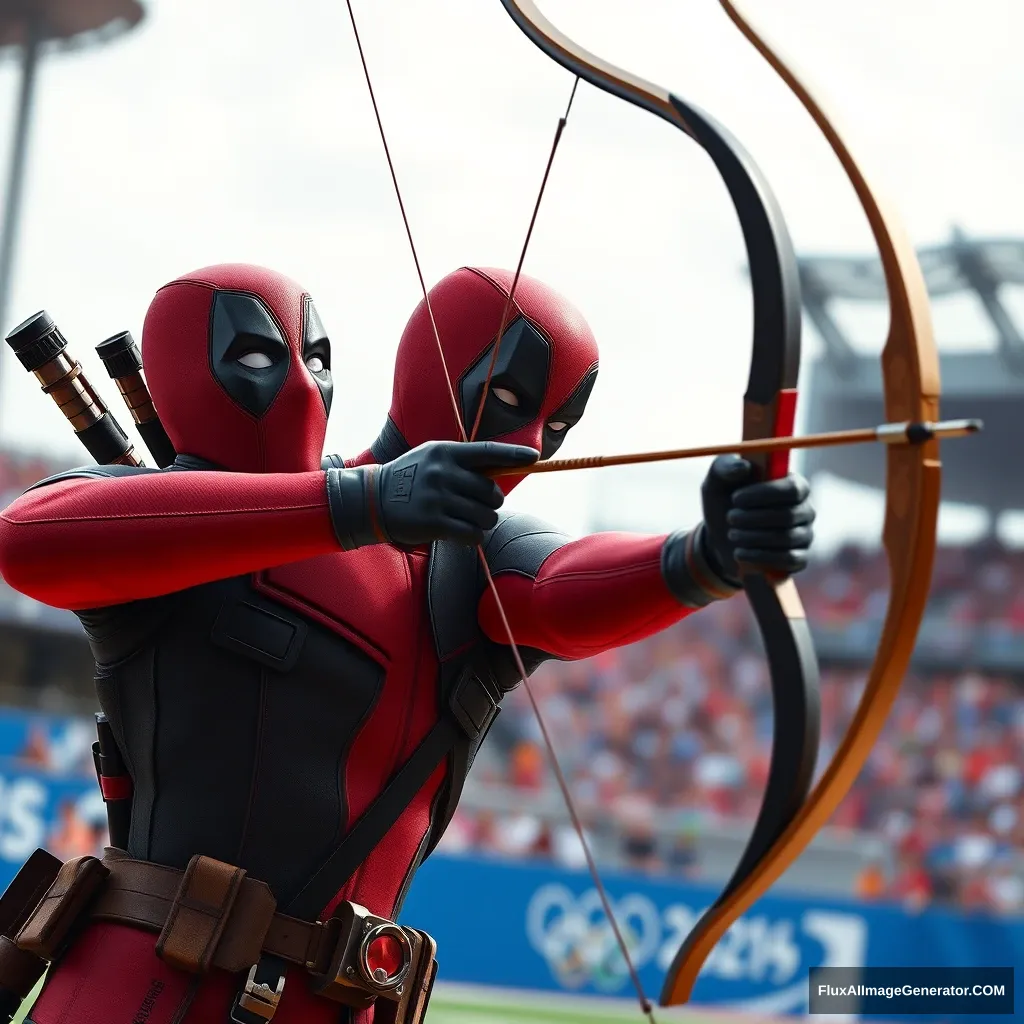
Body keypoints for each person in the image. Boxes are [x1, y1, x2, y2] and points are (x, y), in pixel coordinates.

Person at [0, 263, 815, 1024]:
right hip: (146, 987)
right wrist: (362, 503)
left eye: (557, 425)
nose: (528, 441)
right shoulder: (180, 521)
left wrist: (703, 556)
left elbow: (567, 584)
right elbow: (29, 540)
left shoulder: (475, 564)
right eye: (504, 400)